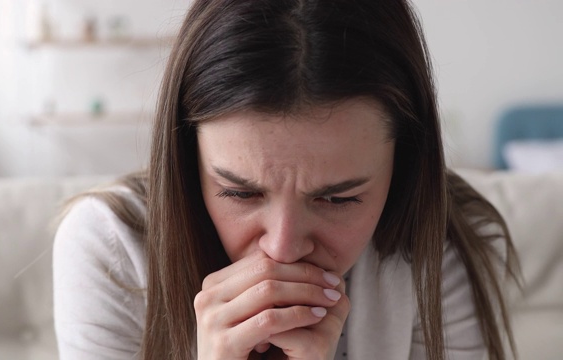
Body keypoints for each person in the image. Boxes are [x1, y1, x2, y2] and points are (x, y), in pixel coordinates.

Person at [53, 0, 520, 359]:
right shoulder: (109, 247)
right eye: (239, 191)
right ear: (185, 156)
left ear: (404, 166)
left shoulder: (442, 242)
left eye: (338, 199)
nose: (283, 248)